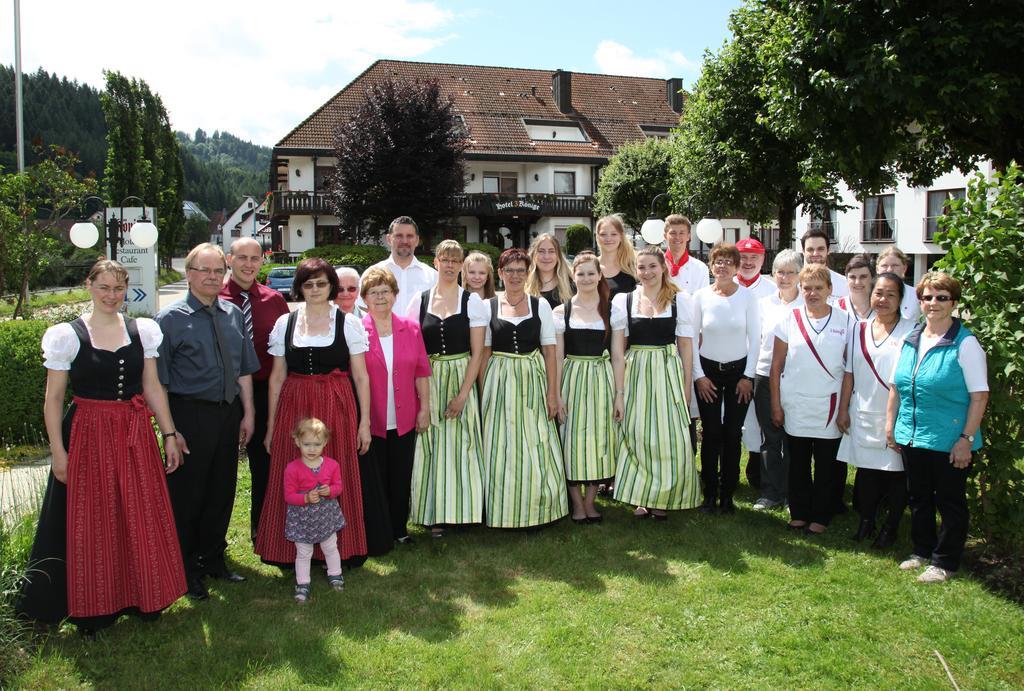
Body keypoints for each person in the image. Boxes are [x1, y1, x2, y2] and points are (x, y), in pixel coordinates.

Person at [17, 259, 186, 636]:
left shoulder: (142, 330)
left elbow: (153, 387)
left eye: (118, 288)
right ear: (89, 286)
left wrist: (169, 434)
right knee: (92, 520)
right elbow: (53, 399)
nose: (111, 295)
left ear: (126, 290)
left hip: (134, 431)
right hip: (88, 434)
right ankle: (94, 607)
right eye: (104, 287)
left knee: (139, 513)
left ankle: (144, 596)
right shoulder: (68, 335)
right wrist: (59, 453)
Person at [256, 258, 377, 567]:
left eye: (321, 284)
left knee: (335, 471)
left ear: (331, 286)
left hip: (336, 404)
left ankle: (337, 549)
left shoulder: (347, 322)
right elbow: (277, 378)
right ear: (300, 288)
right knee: (293, 470)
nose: (315, 290)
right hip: (294, 405)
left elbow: (361, 376)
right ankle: (288, 551)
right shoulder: (286, 323)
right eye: (308, 284)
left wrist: (364, 423)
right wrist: (270, 426)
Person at [157, 243, 259, 600]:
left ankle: (214, 559)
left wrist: (248, 412)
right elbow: (159, 382)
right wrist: (170, 431)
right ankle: (187, 570)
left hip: (228, 413)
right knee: (189, 496)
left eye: (219, 271)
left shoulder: (232, 313)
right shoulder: (169, 320)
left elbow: (245, 368)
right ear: (189, 274)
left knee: (221, 490)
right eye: (205, 271)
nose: (213, 277)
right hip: (190, 414)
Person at [887, 272, 988, 584]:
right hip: (913, 434)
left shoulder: (966, 343)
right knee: (918, 497)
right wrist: (891, 425)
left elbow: (979, 395)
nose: (933, 303)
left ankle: (944, 561)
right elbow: (896, 386)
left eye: (941, 298)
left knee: (950, 502)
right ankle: (922, 550)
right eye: (927, 297)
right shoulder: (912, 338)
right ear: (919, 302)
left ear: (953, 303)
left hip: (949, 439)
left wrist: (965, 439)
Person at [479, 248, 568, 528]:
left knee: (537, 441)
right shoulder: (487, 306)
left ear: (527, 273)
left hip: (532, 376)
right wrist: (484, 395)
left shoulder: (539, 305)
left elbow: (550, 351)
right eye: (509, 270)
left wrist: (553, 393)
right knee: (502, 445)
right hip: (501, 379)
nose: (515, 276)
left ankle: (539, 507)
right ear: (500, 273)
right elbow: (484, 354)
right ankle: (503, 509)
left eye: (520, 270)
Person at [406, 241, 488, 537]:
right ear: (436, 262)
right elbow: (414, 350)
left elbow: (477, 353)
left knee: (462, 445)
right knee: (430, 446)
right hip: (428, 377)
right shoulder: (420, 300)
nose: (450, 265)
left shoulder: (472, 302)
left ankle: (464, 511)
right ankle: (433, 513)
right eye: (445, 259)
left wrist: (464, 393)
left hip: (460, 374)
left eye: (456, 260)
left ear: (461, 265)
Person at [612, 247, 701, 519]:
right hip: (636, 370)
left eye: (652, 266)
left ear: (663, 267)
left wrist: (686, 388)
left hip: (666, 369)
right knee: (638, 432)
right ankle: (642, 493)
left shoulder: (679, 300)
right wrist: (619, 391)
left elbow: (686, 347)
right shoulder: (623, 301)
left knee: (666, 436)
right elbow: (617, 351)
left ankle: (663, 496)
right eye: (641, 268)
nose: (647, 272)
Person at [770, 263, 852, 534]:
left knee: (827, 464)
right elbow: (776, 366)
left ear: (830, 289)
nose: (812, 293)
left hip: (829, 404)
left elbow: (850, 370)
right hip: (795, 402)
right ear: (800, 289)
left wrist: (844, 409)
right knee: (799, 463)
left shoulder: (846, 321)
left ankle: (821, 515)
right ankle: (799, 512)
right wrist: (776, 404)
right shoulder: (788, 319)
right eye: (807, 288)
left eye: (818, 288)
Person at [837, 273, 915, 547]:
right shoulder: (858, 329)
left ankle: (891, 528)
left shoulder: (911, 331)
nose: (883, 299)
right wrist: (843, 409)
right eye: (878, 293)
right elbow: (848, 372)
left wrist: (893, 421)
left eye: (890, 294)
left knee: (895, 474)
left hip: (896, 412)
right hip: (862, 409)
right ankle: (866, 523)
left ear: (901, 300)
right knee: (866, 471)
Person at [220, 237, 290, 541]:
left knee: (266, 465)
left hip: (265, 393)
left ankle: (263, 531)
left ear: (262, 261)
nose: (249, 264)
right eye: (242, 258)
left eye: (255, 258)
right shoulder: (215, 297)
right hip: (223, 396)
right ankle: (212, 540)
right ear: (229, 259)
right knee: (222, 470)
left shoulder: (274, 300)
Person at [361, 267, 432, 544]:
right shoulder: (357, 330)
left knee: (401, 475)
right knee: (376, 476)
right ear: (364, 299)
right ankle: (376, 531)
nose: (380, 297)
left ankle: (399, 530)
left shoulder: (411, 328)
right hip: (372, 419)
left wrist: (424, 408)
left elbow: (422, 371)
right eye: (374, 292)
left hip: (404, 417)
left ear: (395, 295)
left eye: (385, 291)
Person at [553, 252, 627, 523]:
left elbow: (618, 356)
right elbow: (558, 357)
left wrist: (619, 395)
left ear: (599, 276)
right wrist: (557, 394)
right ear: (574, 276)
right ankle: (576, 503)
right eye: (580, 273)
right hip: (572, 379)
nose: (586, 278)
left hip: (601, 380)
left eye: (591, 273)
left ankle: (590, 500)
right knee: (570, 439)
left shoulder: (612, 311)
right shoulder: (562, 311)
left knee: (598, 440)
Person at [692, 243, 760, 514]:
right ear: (711, 265)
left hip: (738, 374)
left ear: (736, 267)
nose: (722, 266)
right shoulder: (700, 297)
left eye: (728, 262)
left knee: (732, 435)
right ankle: (709, 493)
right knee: (711, 434)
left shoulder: (747, 297)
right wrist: (698, 377)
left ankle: (728, 495)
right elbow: (691, 339)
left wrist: (748, 376)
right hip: (707, 372)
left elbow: (755, 339)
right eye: (717, 261)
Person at [751, 249, 804, 511]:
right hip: (764, 376)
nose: (784, 277)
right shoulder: (764, 304)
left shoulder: (807, 305)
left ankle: (795, 493)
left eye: (790, 272)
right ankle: (771, 492)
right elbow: (755, 341)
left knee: (795, 438)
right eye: (779, 272)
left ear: (800, 275)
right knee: (770, 437)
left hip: (796, 378)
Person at [284, 418, 346, 603]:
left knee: (330, 546)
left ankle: (335, 574)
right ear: (297, 442)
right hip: (302, 520)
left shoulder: (332, 465)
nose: (312, 449)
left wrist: (331, 491)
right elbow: (288, 496)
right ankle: (303, 583)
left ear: (325, 443)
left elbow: (339, 486)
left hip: (326, 517)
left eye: (317, 444)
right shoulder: (292, 469)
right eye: (307, 444)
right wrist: (305, 498)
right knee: (303, 552)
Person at [735, 237, 777, 490]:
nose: (748, 262)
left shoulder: (772, 290)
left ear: (763, 259)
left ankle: (758, 468)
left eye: (754, 257)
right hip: (729, 363)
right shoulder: (725, 285)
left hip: (760, 366)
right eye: (744, 257)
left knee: (759, 421)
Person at [362, 216, 437, 314]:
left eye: (409, 236)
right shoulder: (371, 274)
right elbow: (362, 310)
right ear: (389, 239)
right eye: (399, 236)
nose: (404, 241)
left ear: (417, 240)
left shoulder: (432, 277)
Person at [663, 214, 711, 295]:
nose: (677, 237)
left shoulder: (701, 268)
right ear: (665, 236)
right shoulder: (656, 265)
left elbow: (703, 302)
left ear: (688, 236)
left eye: (682, 233)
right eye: (673, 233)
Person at [526, 232, 574, 308]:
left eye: (551, 251)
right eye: (541, 251)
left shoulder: (572, 283)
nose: (546, 256)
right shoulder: (524, 284)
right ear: (533, 254)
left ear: (558, 255)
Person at [596, 214, 638, 298]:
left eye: (614, 234)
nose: (608, 239)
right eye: (603, 234)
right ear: (597, 237)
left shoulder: (634, 267)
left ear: (621, 236)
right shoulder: (590, 266)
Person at [800, 227, 850, 298]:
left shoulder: (844, 284)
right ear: (803, 252)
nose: (815, 254)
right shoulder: (793, 284)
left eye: (820, 249)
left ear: (828, 250)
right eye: (810, 249)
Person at [875, 247, 921, 321]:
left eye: (895, 265)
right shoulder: (868, 295)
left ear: (904, 268)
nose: (889, 270)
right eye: (884, 266)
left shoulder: (916, 295)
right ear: (877, 269)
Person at [835, 254, 875, 323]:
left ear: (872, 278)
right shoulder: (835, 308)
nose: (857, 282)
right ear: (847, 279)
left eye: (863, 277)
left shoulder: (880, 308)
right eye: (852, 277)